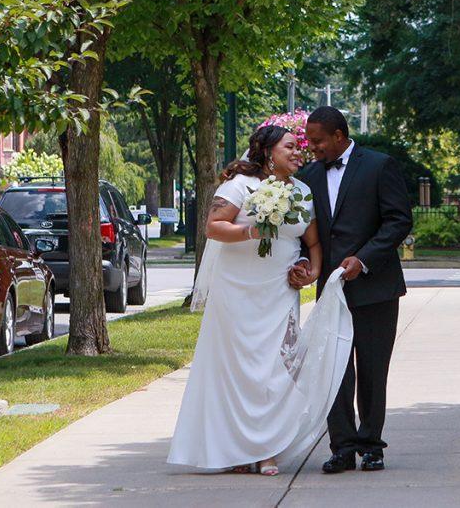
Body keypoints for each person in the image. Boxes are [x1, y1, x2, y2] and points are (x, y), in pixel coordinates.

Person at [167, 125, 353, 476]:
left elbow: (313, 244)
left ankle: (268, 450)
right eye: (290, 147)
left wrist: (311, 272)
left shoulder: (302, 191)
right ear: (268, 152)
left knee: (276, 370)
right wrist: (253, 229)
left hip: (280, 291)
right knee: (237, 370)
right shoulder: (240, 185)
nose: (299, 152)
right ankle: (236, 450)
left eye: (300, 148)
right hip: (238, 291)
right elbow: (212, 227)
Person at [290, 106, 413, 473]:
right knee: (335, 370)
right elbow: (306, 232)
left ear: (339, 136)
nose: (311, 148)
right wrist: (303, 263)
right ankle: (341, 446)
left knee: (373, 369)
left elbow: (398, 220)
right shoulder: (309, 176)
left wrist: (364, 258)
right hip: (331, 291)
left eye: (317, 141)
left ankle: (371, 445)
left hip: (376, 288)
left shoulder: (379, 166)